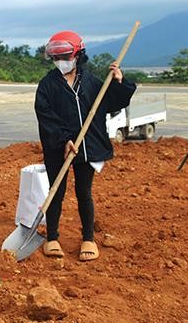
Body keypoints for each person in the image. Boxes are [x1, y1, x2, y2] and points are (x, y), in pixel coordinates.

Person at [35, 30, 135, 261]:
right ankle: (52, 237)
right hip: (57, 147)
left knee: (84, 192)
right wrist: (63, 140)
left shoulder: (91, 82)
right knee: (56, 192)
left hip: (87, 146)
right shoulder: (47, 85)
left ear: (78, 55)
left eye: (66, 57)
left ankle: (88, 238)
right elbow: (45, 115)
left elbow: (113, 102)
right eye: (56, 58)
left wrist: (119, 81)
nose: (61, 62)